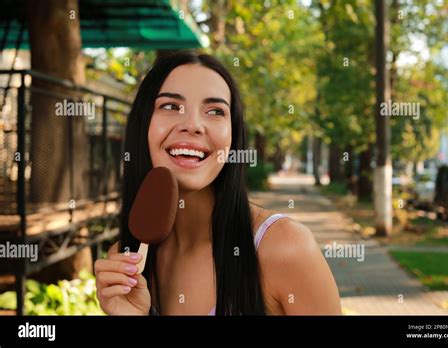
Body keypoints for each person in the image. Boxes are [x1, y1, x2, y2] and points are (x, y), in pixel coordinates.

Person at [94, 51, 341, 315]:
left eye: (215, 111)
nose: (193, 125)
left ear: (233, 138)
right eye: (171, 106)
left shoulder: (285, 246)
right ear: (143, 125)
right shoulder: (128, 264)